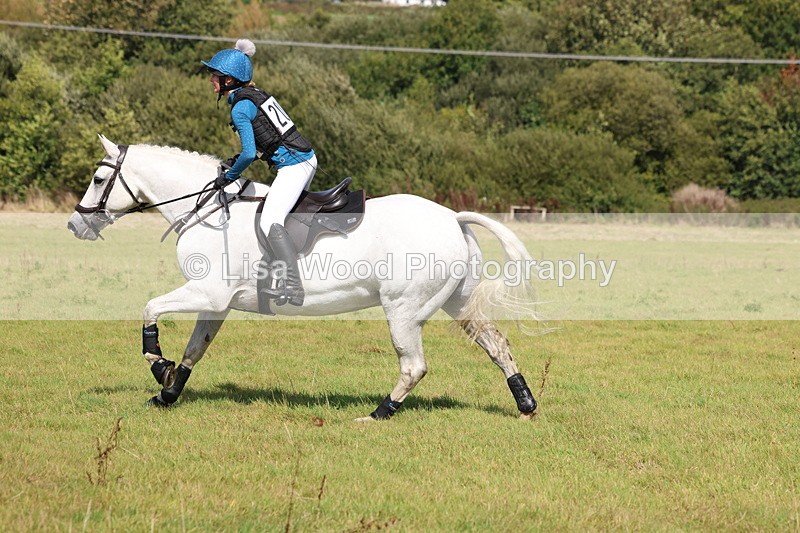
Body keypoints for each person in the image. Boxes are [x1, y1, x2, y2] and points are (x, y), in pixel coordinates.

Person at [202, 39, 317, 309]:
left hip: (294, 166)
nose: (211, 80)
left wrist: (228, 177)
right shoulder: (256, 95)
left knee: (270, 220)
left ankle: (294, 286)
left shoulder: (240, 106)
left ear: (229, 80)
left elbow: (249, 153)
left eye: (215, 75)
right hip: (303, 159)